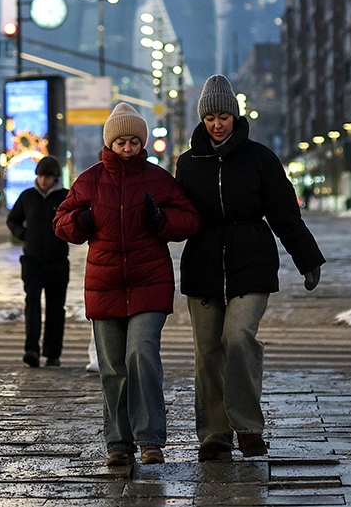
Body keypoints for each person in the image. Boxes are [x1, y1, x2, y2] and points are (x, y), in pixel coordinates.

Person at [176, 75, 325, 463]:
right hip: (204, 266)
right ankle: (214, 434)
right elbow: (179, 219)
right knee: (207, 351)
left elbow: (284, 214)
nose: (217, 123)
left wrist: (307, 258)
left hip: (251, 262)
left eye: (224, 115)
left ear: (235, 115)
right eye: (210, 117)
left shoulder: (260, 158)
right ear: (202, 119)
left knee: (239, 338)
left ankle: (247, 426)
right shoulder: (188, 163)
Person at [53, 103, 200, 468]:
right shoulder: (90, 180)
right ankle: (118, 441)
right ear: (110, 142)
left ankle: (150, 439)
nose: (128, 148)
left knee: (141, 355)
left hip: (149, 282)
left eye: (135, 141)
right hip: (105, 286)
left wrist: (161, 219)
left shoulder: (158, 179)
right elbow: (61, 221)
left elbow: (190, 220)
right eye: (121, 142)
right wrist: (82, 220)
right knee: (113, 367)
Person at [6, 155, 69, 368]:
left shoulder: (65, 197)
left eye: (48, 176)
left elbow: (77, 219)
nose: (44, 180)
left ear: (55, 178)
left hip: (58, 260)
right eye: (41, 176)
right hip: (32, 259)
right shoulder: (28, 196)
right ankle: (31, 349)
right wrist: (23, 234)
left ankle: (53, 353)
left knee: (55, 308)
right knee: (32, 303)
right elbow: (12, 219)